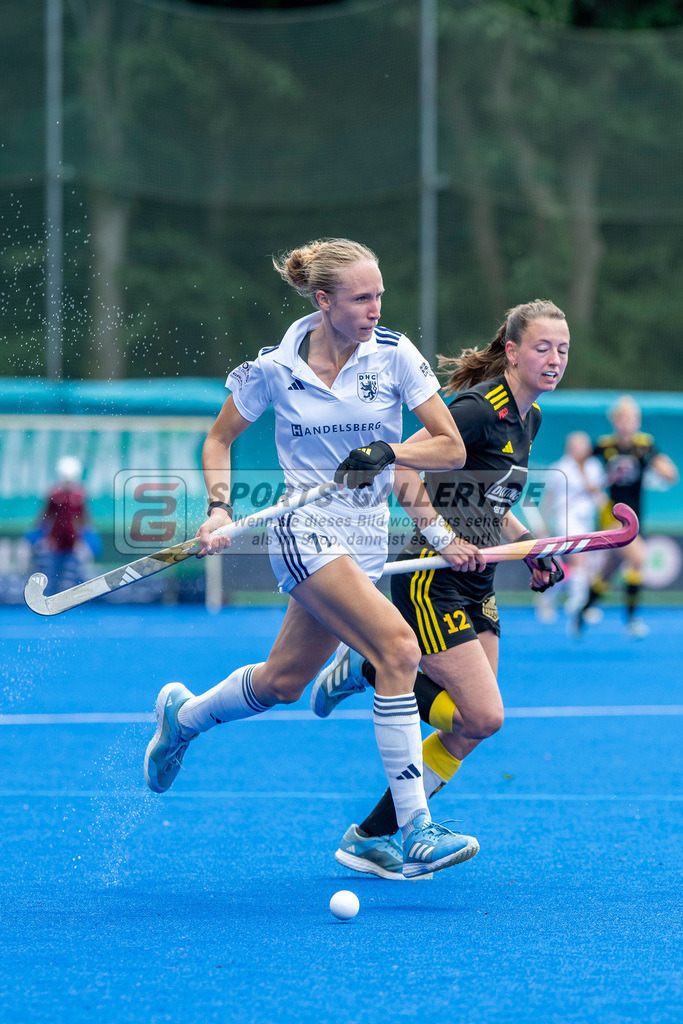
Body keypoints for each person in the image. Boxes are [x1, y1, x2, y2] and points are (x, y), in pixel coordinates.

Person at [144, 237, 486, 879]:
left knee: (283, 682)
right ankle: (414, 829)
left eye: (380, 295)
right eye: (361, 298)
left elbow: (449, 449)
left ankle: (183, 718)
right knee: (398, 650)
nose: (376, 309)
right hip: (303, 530)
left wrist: (396, 462)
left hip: (364, 542)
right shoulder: (274, 369)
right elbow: (219, 440)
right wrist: (219, 508)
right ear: (324, 301)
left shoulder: (396, 358)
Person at [310, 299, 569, 880]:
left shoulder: (530, 418)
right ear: (512, 352)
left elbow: (490, 497)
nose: (555, 360)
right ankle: (371, 671)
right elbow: (404, 474)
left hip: (478, 581)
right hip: (432, 575)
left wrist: (531, 546)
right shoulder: (476, 409)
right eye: (542, 348)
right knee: (484, 716)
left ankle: (369, 838)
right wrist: (444, 538)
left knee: (471, 727)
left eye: (562, 349)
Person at [577, 395, 678, 638]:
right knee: (639, 558)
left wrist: (658, 466)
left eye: (631, 418)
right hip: (612, 515)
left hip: (636, 517)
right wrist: (590, 484)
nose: (626, 423)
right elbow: (580, 460)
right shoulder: (604, 445)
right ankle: (631, 620)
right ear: (614, 420)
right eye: (621, 418)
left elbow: (669, 474)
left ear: (637, 421)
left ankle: (583, 610)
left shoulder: (644, 444)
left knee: (610, 571)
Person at [536, 430, 606, 625]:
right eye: (575, 445)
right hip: (565, 520)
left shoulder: (594, 466)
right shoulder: (560, 468)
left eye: (582, 445)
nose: (579, 449)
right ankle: (579, 604)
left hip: (587, 521)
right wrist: (543, 524)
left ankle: (547, 598)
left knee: (574, 567)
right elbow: (549, 499)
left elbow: (599, 496)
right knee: (579, 561)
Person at [26, 456, 101, 592]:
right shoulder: (54, 494)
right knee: (52, 572)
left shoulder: (79, 495)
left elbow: (83, 518)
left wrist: (85, 539)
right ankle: (50, 596)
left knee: (74, 573)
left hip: (73, 541)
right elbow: (46, 516)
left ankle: (73, 598)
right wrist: (42, 537)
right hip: (55, 541)